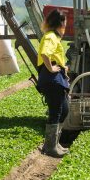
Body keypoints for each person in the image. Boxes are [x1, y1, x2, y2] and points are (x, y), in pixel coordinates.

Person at [37, 9, 71, 158]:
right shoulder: (50, 36)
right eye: (64, 22)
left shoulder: (54, 37)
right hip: (52, 79)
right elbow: (45, 53)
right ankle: (50, 147)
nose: (65, 24)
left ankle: (54, 144)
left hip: (57, 78)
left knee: (64, 110)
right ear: (60, 23)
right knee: (56, 111)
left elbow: (54, 55)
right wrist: (51, 67)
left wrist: (63, 67)